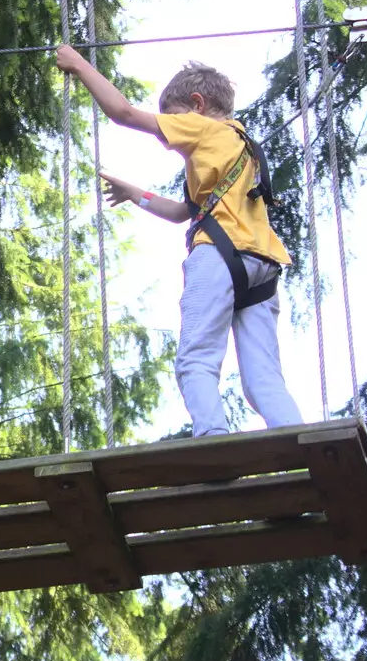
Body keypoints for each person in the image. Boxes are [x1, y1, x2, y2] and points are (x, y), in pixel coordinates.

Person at [55, 46, 303, 437]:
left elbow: (122, 113)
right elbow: (181, 213)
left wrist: (78, 64)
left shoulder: (203, 127)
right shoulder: (241, 144)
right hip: (262, 264)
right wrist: (135, 193)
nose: (168, 135)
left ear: (197, 105)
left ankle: (213, 443)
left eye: (173, 118)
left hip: (219, 258)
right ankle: (300, 444)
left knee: (196, 362)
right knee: (263, 379)